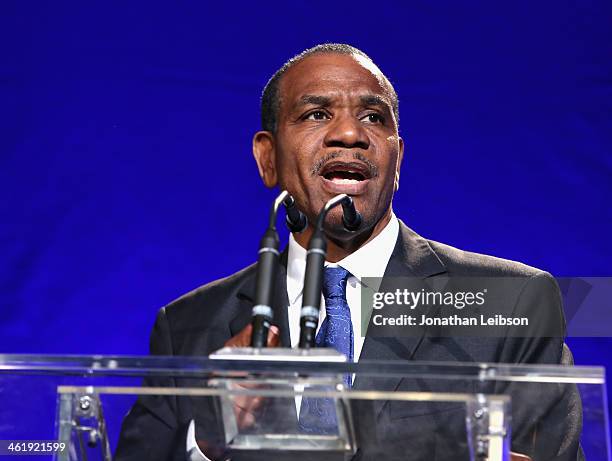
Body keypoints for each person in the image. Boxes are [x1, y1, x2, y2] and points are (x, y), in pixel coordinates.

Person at [115, 44, 581, 461]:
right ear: (268, 158)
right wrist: (209, 443)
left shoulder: (511, 301)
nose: (350, 134)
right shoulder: (190, 326)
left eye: (373, 117)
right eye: (316, 114)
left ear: (397, 158)